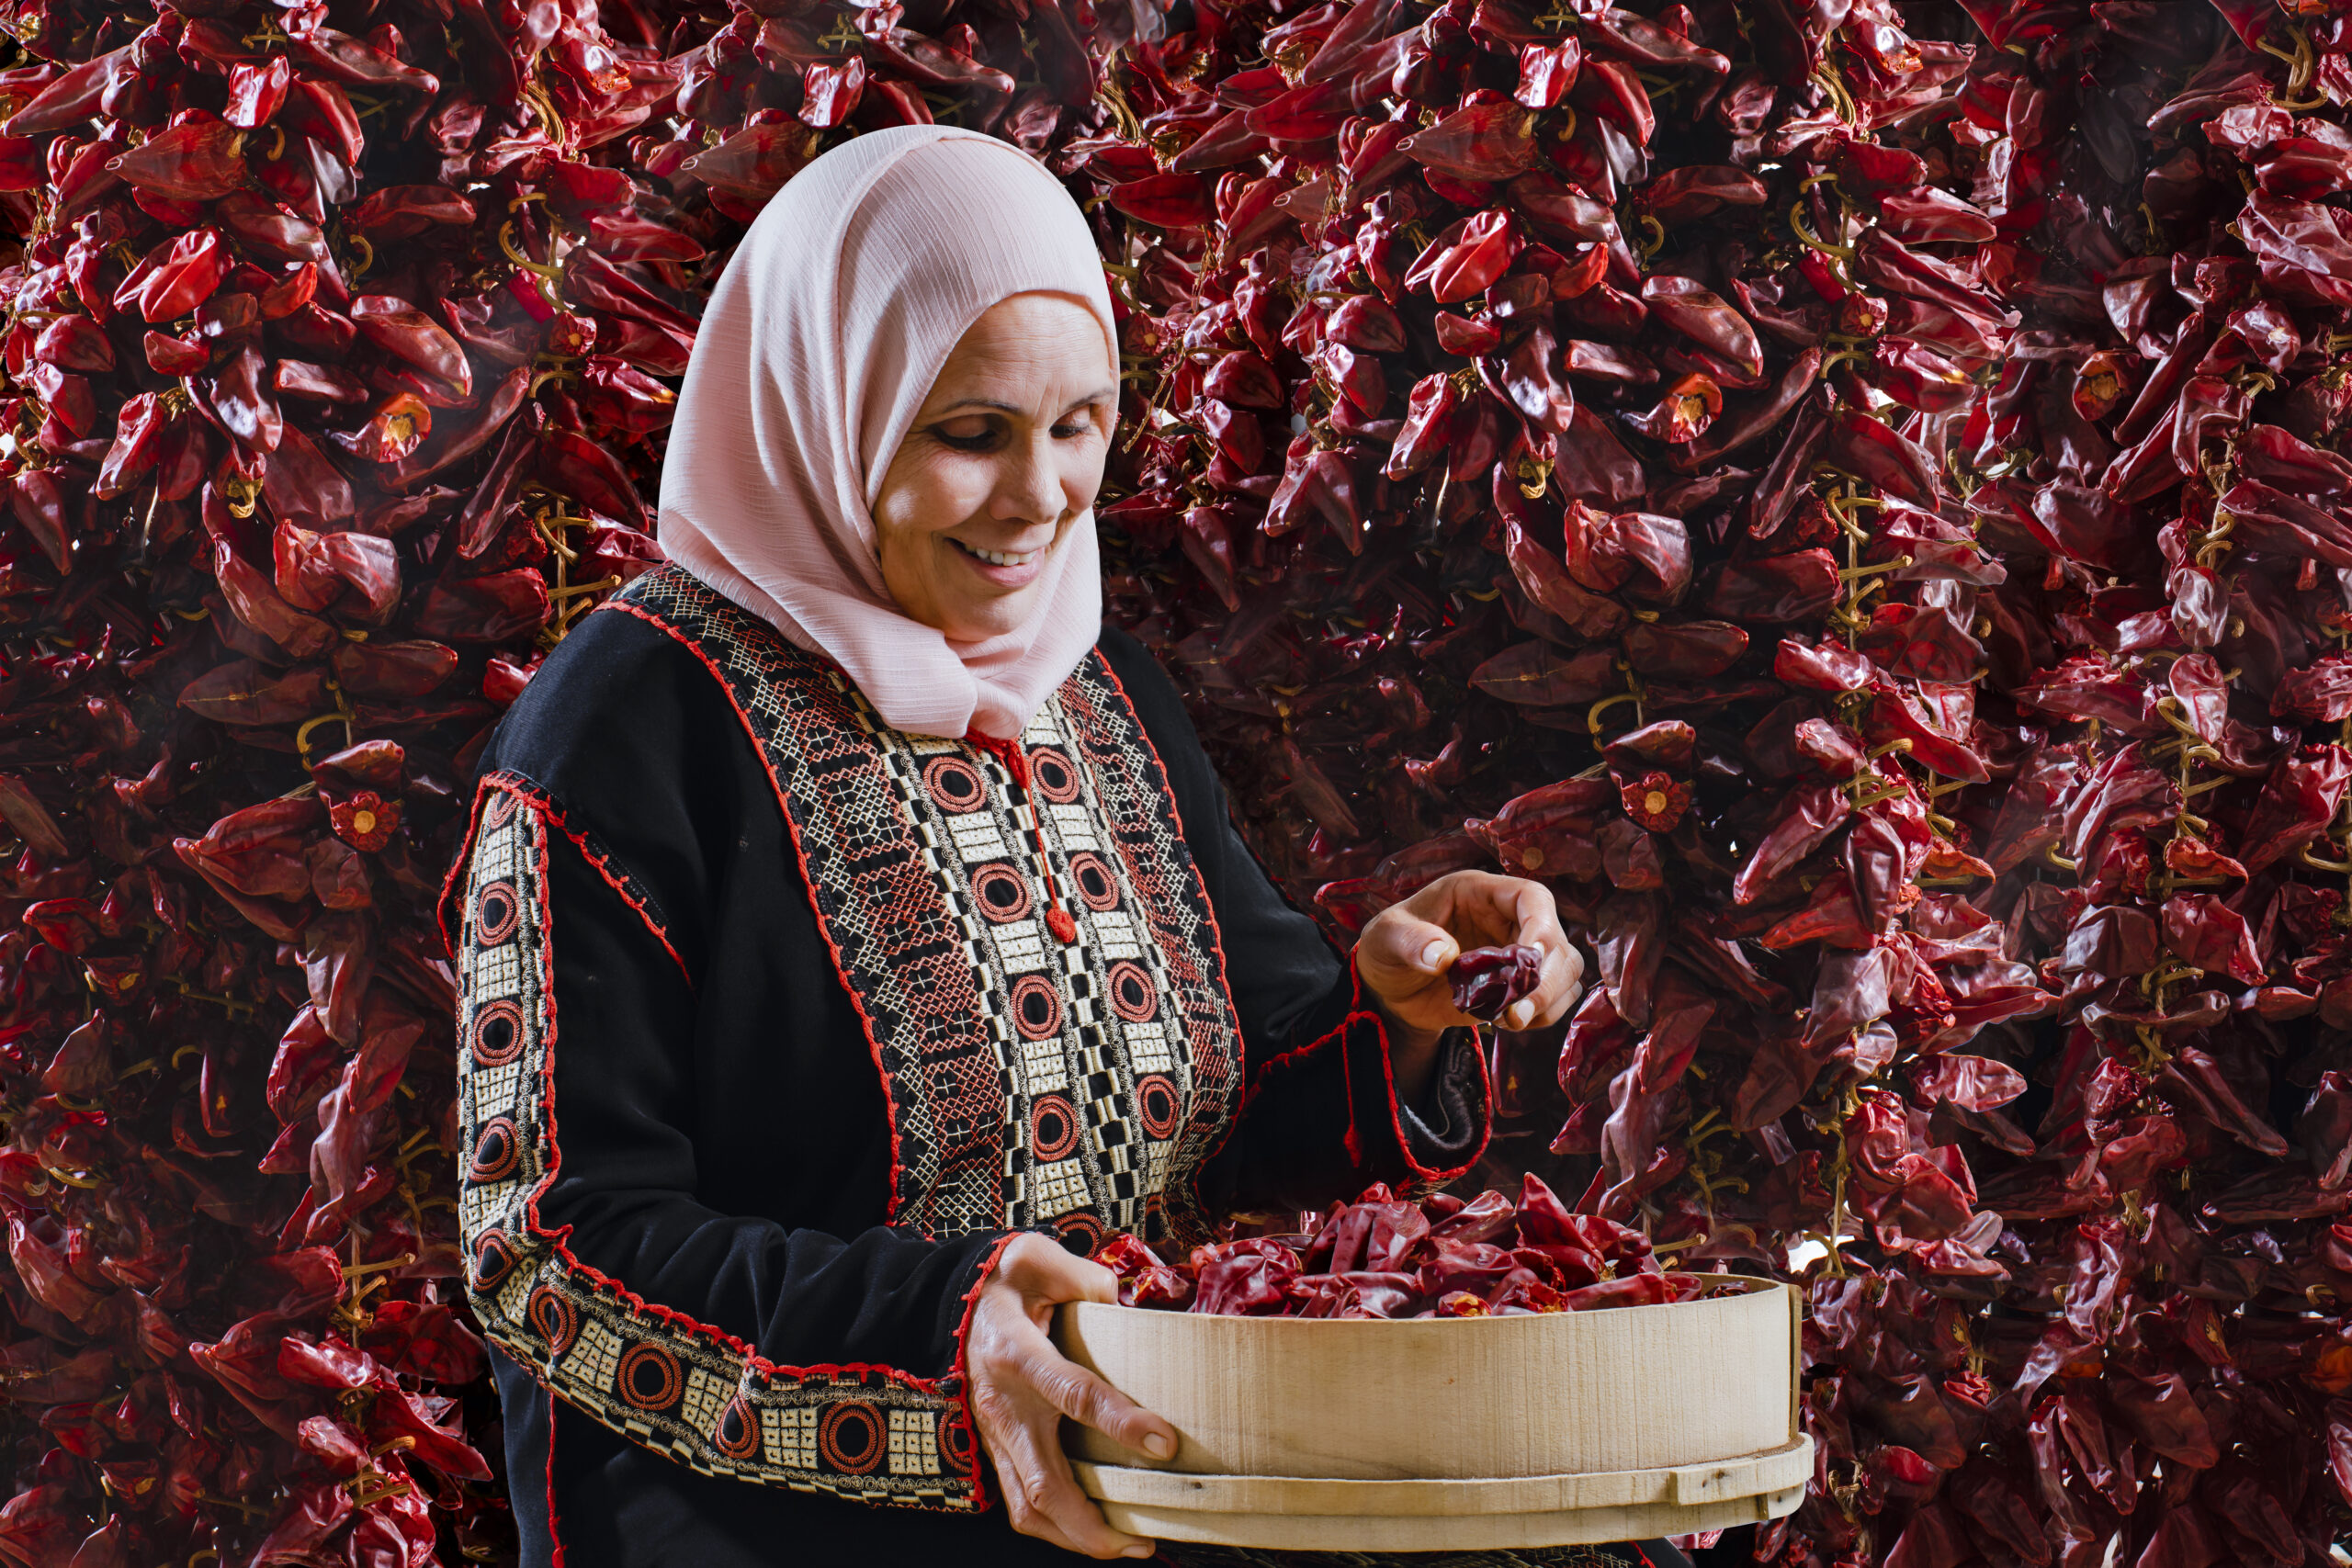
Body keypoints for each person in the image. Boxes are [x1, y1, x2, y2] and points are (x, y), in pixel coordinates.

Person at [443, 123, 1601, 1566]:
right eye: (972, 433)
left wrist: (1399, 1013)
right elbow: (546, 1252)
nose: (1044, 496)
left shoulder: (1097, 694)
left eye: (1080, 425)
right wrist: (943, 1339)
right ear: (826, 404)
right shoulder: (624, 726)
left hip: (1148, 1512)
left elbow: (1235, 1136)